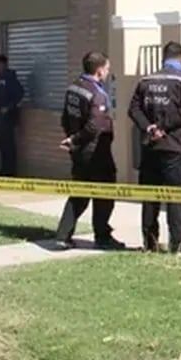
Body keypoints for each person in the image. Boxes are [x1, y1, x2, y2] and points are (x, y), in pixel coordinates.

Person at [128, 41, 181, 253]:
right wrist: (162, 127)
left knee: (150, 198)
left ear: (163, 58)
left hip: (150, 147)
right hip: (174, 147)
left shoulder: (146, 80)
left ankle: (150, 243)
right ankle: (177, 245)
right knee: (175, 198)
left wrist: (149, 128)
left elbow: (133, 109)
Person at [54, 51, 125, 250]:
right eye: (107, 69)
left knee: (79, 192)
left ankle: (63, 235)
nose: (108, 72)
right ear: (99, 70)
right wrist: (76, 139)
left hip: (78, 150)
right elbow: (95, 126)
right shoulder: (97, 93)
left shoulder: (73, 88)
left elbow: (65, 117)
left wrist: (71, 139)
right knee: (104, 193)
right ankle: (102, 236)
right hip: (96, 152)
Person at [0, 54, 25, 176]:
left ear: (3, 64)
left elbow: (20, 95)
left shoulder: (10, 78)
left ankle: (10, 171)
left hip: (7, 116)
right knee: (1, 143)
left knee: (8, 144)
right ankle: (3, 169)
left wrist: (8, 108)